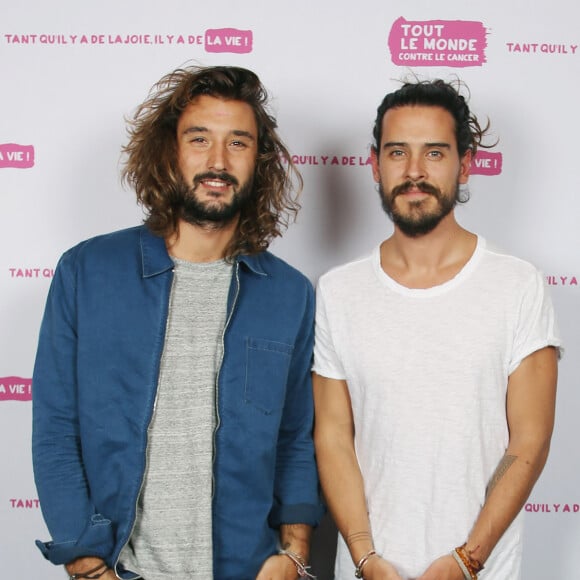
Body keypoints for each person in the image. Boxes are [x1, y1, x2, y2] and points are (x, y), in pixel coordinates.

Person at [32, 65, 322, 580]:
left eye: (238, 142)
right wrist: (83, 559)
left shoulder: (290, 293)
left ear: (260, 159)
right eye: (199, 139)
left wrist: (294, 555)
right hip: (122, 569)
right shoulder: (86, 272)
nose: (218, 161)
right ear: (170, 151)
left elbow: (296, 436)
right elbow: (56, 429)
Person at [312, 79, 561, 579]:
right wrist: (365, 558)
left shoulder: (518, 285)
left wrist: (467, 561)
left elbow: (529, 440)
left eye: (435, 153)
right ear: (375, 162)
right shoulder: (338, 291)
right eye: (398, 152)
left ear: (464, 164)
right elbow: (334, 437)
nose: (414, 172)